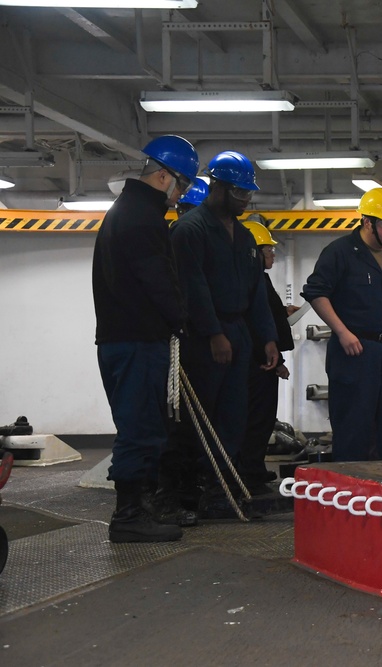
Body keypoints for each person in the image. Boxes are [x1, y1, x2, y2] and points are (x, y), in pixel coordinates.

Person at [157, 151, 279, 521]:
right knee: (202, 419)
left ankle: (223, 488)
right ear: (220, 188)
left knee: (233, 416)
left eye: (247, 195)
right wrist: (213, 333)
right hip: (206, 337)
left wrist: (267, 338)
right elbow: (192, 289)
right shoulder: (190, 231)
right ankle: (196, 493)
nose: (245, 201)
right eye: (240, 194)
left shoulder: (243, 238)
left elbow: (257, 293)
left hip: (239, 333)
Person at [92, 134, 199, 543]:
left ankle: (140, 508)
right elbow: (159, 282)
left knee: (142, 425)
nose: (182, 194)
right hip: (138, 341)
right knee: (140, 428)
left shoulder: (129, 211)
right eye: (183, 185)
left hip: (129, 340)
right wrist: (181, 321)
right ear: (163, 177)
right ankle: (129, 516)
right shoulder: (141, 218)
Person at [301, 187, 382, 461]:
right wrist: (342, 332)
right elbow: (316, 293)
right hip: (355, 353)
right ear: (368, 222)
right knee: (353, 431)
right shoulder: (340, 252)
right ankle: (352, 498)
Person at [239, 216, 295, 494]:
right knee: (256, 419)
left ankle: (253, 470)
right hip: (258, 365)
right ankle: (249, 473)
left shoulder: (259, 280)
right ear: (254, 252)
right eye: (268, 249)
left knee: (261, 419)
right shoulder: (254, 283)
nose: (273, 252)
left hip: (263, 362)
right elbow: (257, 325)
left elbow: (267, 316)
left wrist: (283, 315)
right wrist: (275, 363)